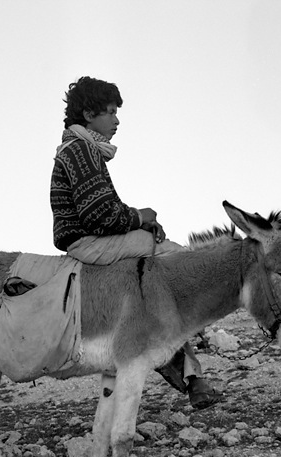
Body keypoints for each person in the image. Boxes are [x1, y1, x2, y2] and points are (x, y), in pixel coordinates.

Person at [50, 76, 222, 409]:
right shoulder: (81, 149)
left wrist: (140, 224)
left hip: (93, 240)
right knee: (176, 261)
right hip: (87, 243)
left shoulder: (83, 149)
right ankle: (190, 359)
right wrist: (140, 217)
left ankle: (190, 374)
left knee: (156, 275)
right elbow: (99, 213)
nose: (116, 121)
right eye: (110, 112)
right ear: (88, 113)